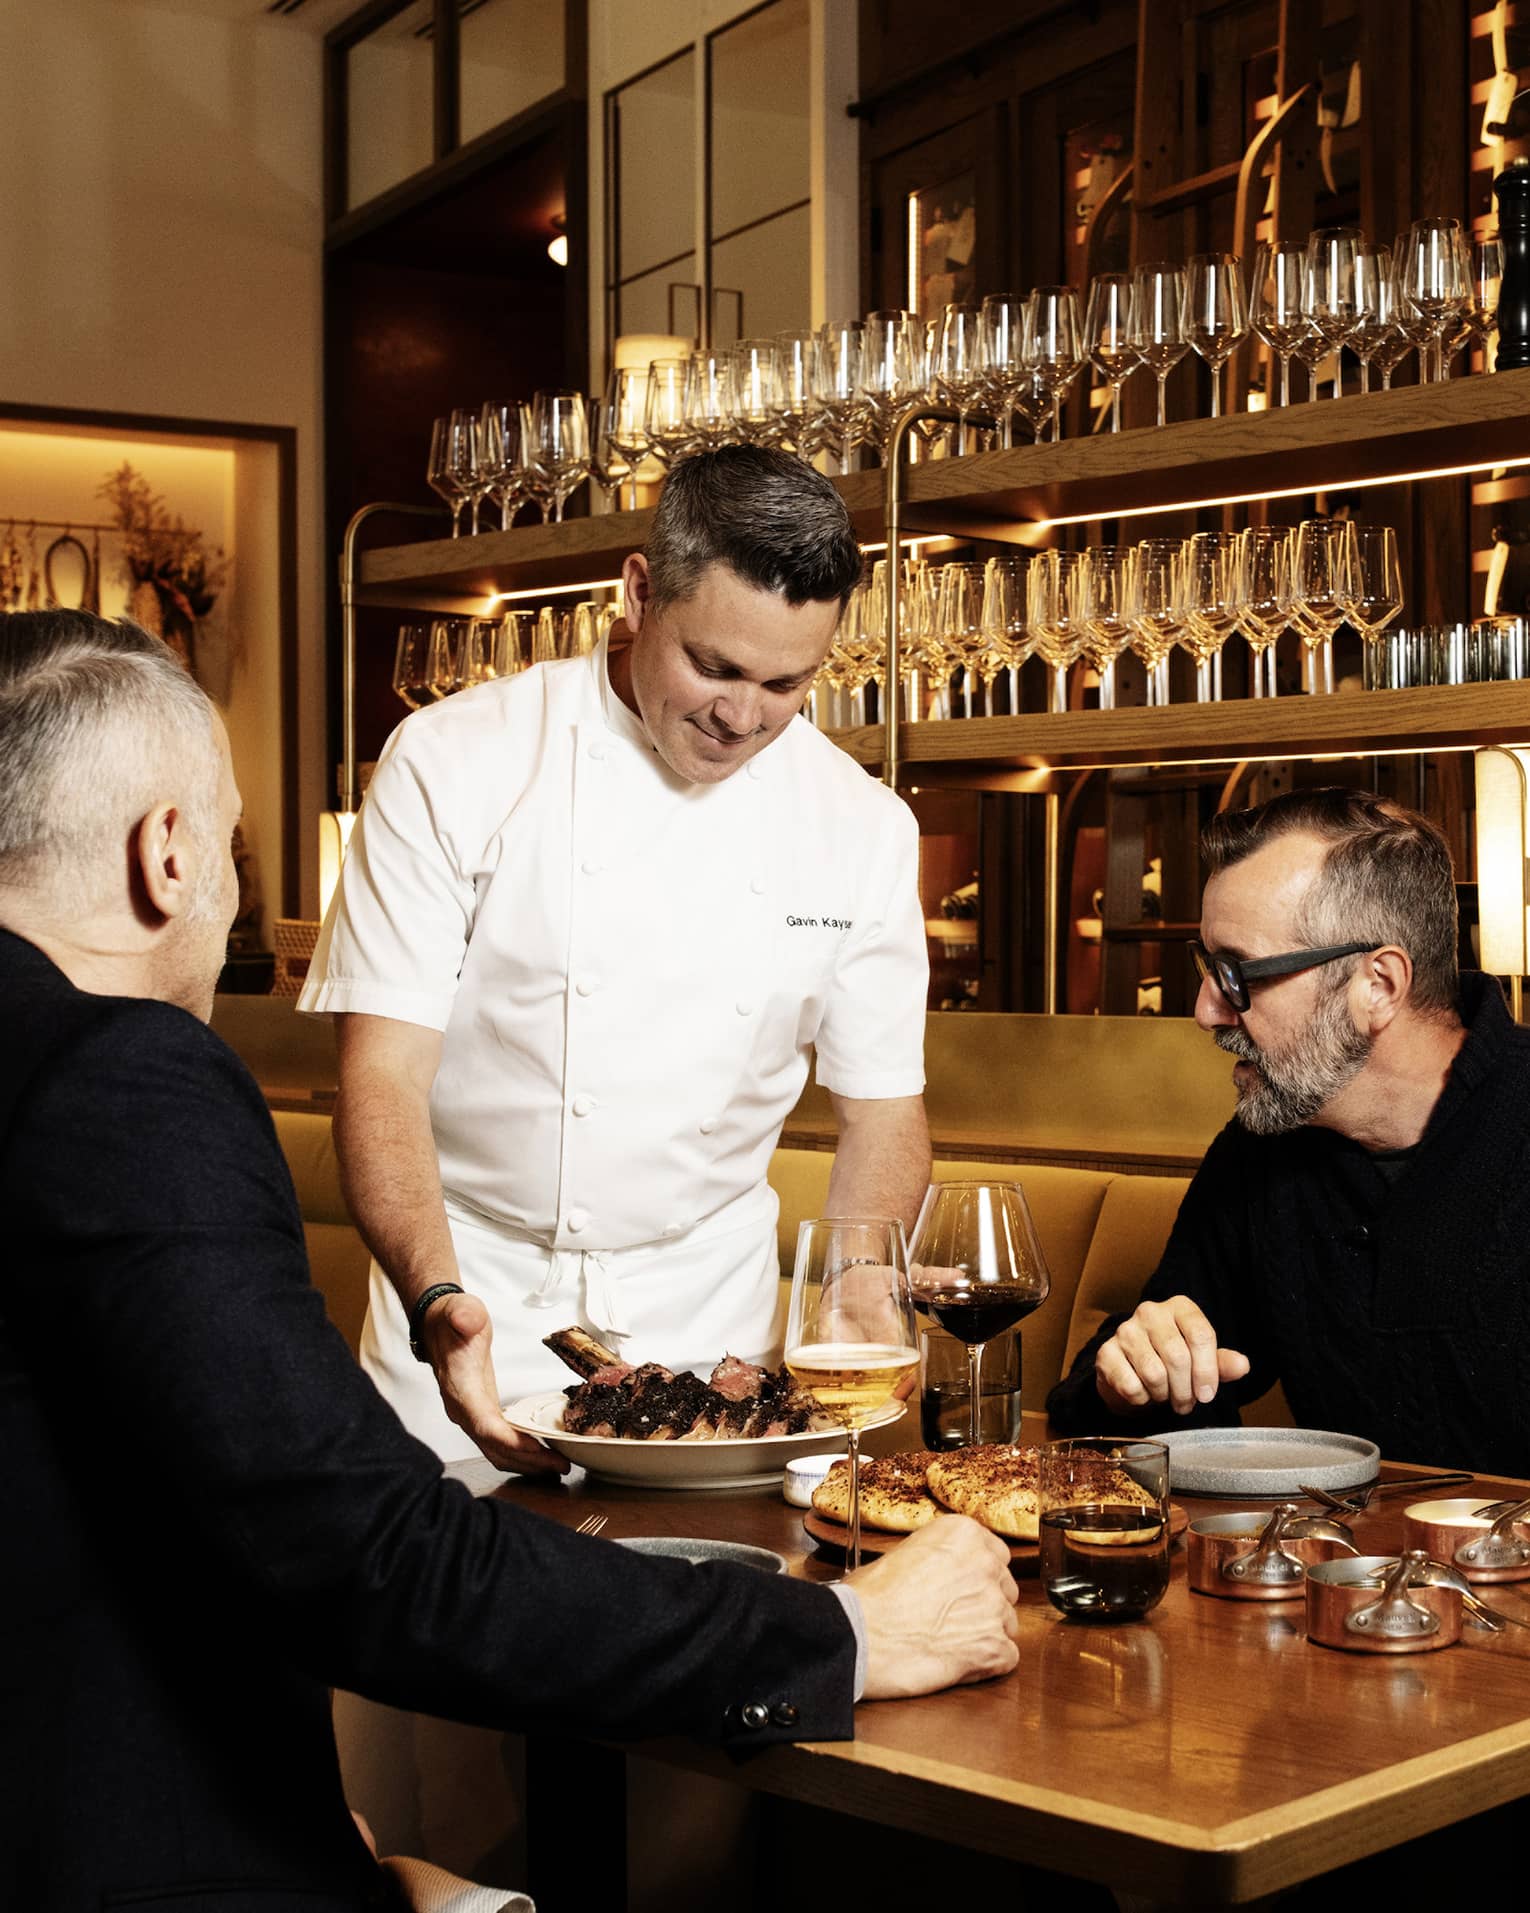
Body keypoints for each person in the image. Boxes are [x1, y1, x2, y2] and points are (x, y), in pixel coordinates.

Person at [0, 610, 1020, 1913]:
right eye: (238, 846)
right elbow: (370, 1557)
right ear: (169, 854)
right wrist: (848, 1633)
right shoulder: (127, 1076)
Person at [301, 445, 933, 1466]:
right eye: (715, 666)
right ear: (638, 592)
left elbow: (884, 1109)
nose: (742, 715)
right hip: (475, 1298)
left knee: (716, 1606)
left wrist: (859, 1275)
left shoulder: (860, 826)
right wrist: (436, 1293)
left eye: (786, 682)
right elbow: (378, 1075)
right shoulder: (457, 762)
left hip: (713, 1319)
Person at [1047, 786, 1530, 1477]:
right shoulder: (1264, 1151)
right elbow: (1122, 1415)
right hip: (1334, 1575)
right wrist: (1125, 1380)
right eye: (1207, 967)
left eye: (1238, 972)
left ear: (1380, 985)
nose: (1206, 1009)